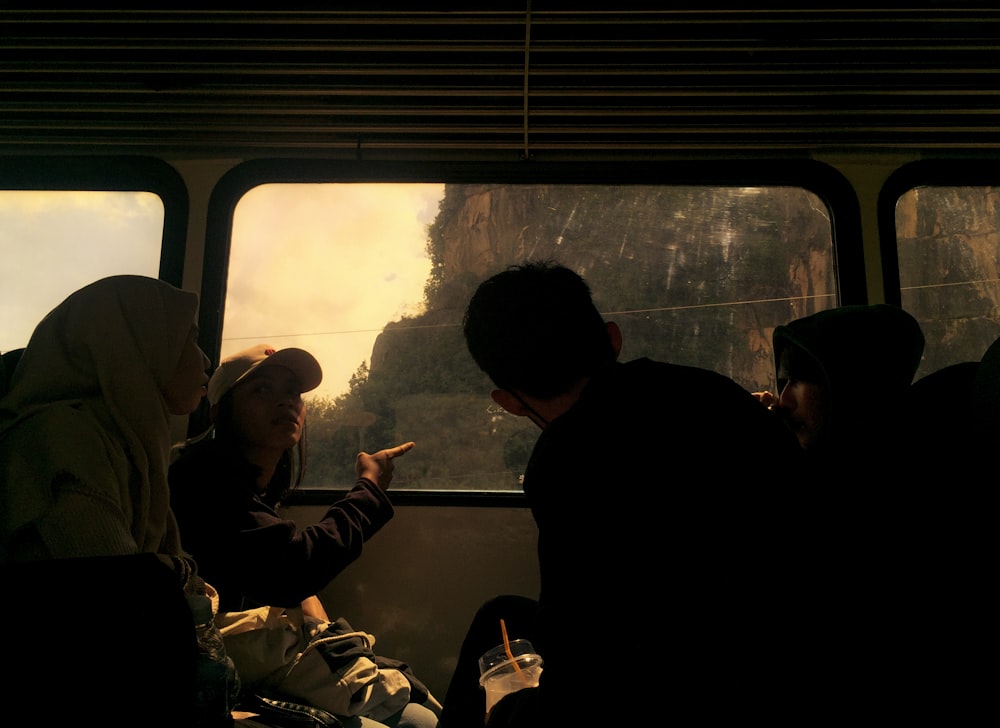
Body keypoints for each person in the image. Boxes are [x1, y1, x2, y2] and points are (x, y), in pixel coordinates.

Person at [439, 260, 839, 727]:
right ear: (612, 339)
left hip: (685, 692)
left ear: (508, 401)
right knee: (504, 614)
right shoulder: (717, 394)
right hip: (791, 664)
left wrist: (511, 711)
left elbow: (591, 662)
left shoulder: (564, 459)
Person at [169, 343, 440, 728]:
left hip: (258, 654)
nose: (284, 402)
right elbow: (292, 568)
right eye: (261, 390)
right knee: (419, 721)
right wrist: (369, 486)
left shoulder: (251, 489)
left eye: (292, 392)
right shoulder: (201, 480)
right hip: (217, 663)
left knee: (416, 708)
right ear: (219, 411)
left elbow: (288, 578)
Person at [0, 274, 218, 725]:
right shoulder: (60, 439)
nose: (205, 359)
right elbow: (123, 590)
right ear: (136, 346)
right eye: (189, 339)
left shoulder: (122, 438)